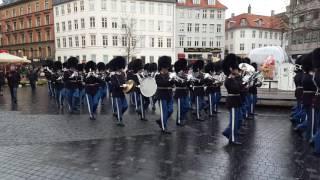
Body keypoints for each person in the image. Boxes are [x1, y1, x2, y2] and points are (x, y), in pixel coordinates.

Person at [294, 53, 317, 142]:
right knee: (311, 120)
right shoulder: (310, 76)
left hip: (306, 96)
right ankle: (311, 137)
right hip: (310, 98)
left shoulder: (306, 75)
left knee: (309, 117)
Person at [222, 54, 242, 145]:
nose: (237, 70)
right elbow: (236, 88)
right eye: (235, 68)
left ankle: (227, 132)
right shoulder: (229, 79)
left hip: (237, 101)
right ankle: (232, 139)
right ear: (231, 69)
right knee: (234, 121)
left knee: (238, 120)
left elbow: (241, 88)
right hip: (232, 101)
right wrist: (238, 78)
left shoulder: (235, 78)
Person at [155, 56, 174, 134]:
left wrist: (174, 82)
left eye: (166, 68)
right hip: (161, 95)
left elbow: (171, 84)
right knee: (164, 112)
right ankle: (163, 127)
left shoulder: (170, 75)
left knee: (170, 110)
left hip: (169, 94)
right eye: (164, 68)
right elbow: (162, 84)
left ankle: (161, 121)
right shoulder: (157, 76)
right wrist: (171, 82)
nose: (166, 69)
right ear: (161, 68)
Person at [109, 56, 128, 126]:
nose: (122, 69)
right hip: (116, 94)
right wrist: (123, 86)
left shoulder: (122, 74)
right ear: (117, 67)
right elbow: (115, 84)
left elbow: (124, 82)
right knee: (119, 107)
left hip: (121, 93)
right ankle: (120, 120)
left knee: (125, 106)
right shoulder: (113, 75)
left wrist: (127, 85)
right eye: (120, 67)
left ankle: (118, 114)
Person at [173, 58, 190, 126]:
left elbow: (187, 84)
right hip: (179, 92)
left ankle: (182, 118)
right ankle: (179, 120)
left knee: (186, 106)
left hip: (185, 92)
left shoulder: (185, 74)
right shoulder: (176, 75)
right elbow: (177, 84)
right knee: (180, 107)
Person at [291, 56, 305, 126]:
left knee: (300, 106)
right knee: (302, 108)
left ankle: (296, 116)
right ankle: (297, 118)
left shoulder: (297, 75)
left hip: (298, 91)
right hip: (302, 92)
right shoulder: (302, 75)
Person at [311, 48, 320, 156]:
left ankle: (314, 140)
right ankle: (317, 148)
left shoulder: (316, 74)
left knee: (318, 125)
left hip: (317, 99)